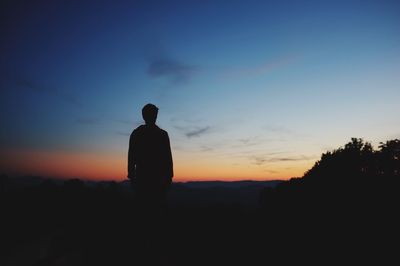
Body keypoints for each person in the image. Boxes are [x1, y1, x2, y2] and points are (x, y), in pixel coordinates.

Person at [128, 103, 173, 211]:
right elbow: (168, 158)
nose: (154, 117)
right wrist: (169, 176)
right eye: (152, 114)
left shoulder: (137, 133)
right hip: (152, 179)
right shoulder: (161, 134)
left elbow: (131, 157)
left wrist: (131, 176)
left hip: (150, 179)